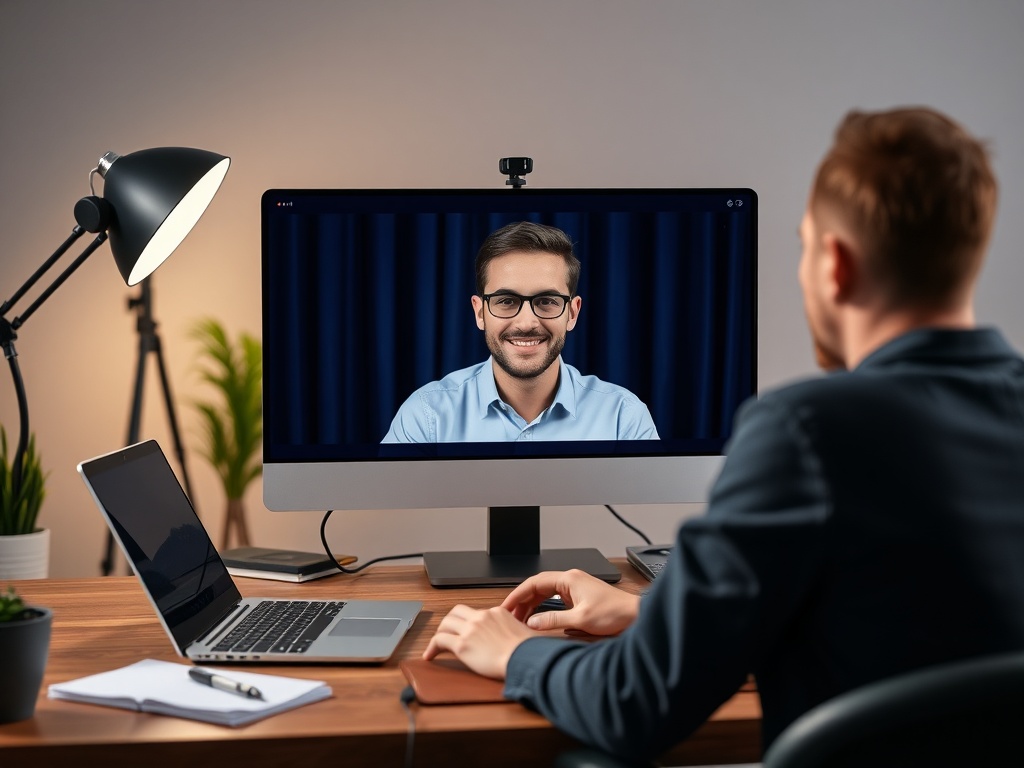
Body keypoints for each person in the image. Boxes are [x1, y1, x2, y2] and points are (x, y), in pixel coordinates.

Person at [423, 107, 1024, 761]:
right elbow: (906, 620)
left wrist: (521, 654)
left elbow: (635, 705)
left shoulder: (807, 432)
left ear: (836, 265)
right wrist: (648, 614)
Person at [381, 221, 659, 443]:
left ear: (572, 313)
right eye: (506, 301)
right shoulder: (426, 415)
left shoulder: (624, 417)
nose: (526, 323)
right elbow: (389, 514)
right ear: (480, 313)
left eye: (547, 301)